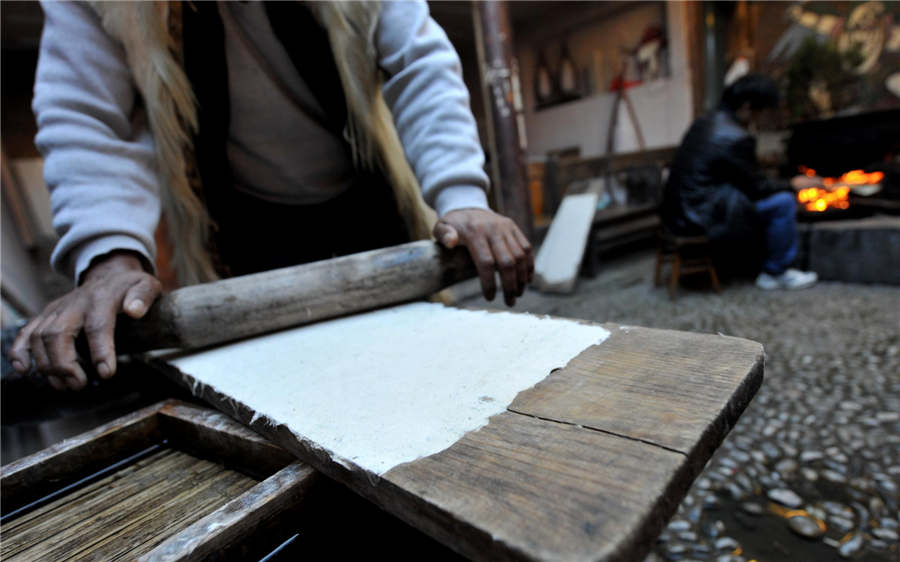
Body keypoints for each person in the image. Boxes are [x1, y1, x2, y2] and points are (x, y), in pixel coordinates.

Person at [10, 1, 533, 391]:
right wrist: (107, 257)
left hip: (368, 202)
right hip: (239, 230)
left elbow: (418, 61)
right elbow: (87, 114)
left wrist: (461, 194)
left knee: (423, 375)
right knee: (285, 390)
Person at [660, 73, 819, 291]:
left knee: (764, 201)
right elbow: (758, 189)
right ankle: (776, 272)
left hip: (677, 214)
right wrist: (793, 184)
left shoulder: (705, 122)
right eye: (764, 112)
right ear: (747, 107)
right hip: (700, 217)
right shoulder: (736, 137)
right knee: (783, 203)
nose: (765, 118)